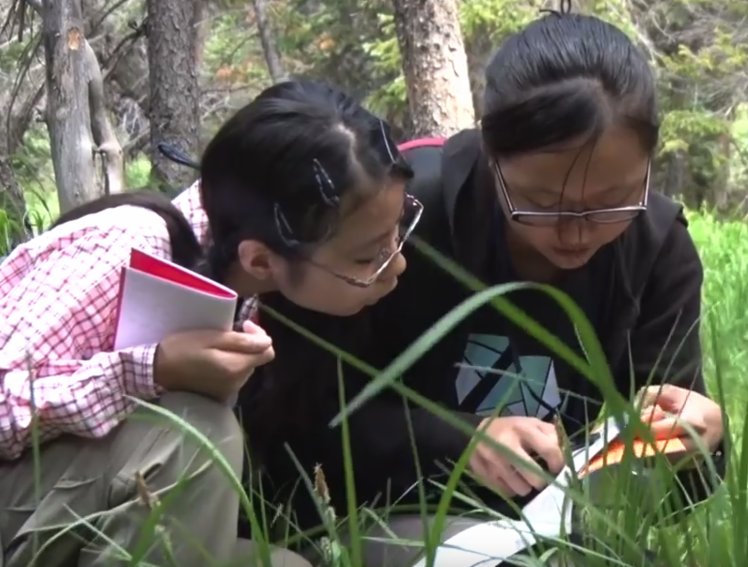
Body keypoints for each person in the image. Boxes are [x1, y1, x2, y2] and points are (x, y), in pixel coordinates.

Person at [247, 9, 726, 567]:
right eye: (541, 203)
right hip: (395, 509)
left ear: (649, 164)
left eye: (611, 201)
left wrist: (699, 443)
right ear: (488, 152)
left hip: (563, 521)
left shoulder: (657, 249)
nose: (575, 233)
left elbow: (667, 482)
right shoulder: (395, 220)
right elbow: (296, 423)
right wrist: (461, 442)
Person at [0, 80, 418, 567]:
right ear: (259, 261)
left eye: (399, 231)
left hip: (44, 503)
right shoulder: (124, 248)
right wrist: (148, 371)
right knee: (196, 436)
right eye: (369, 257)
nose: (397, 264)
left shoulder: (245, 280)